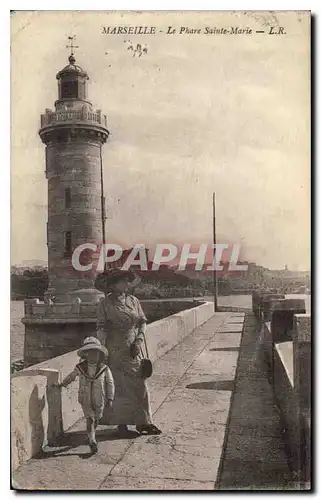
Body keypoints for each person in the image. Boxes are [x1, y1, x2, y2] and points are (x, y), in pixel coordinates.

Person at [95, 268, 161, 436]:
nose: (127, 283)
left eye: (127, 280)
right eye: (123, 280)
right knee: (119, 388)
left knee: (139, 384)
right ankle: (121, 424)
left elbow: (143, 322)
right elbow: (101, 328)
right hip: (114, 350)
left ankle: (144, 422)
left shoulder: (133, 300)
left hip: (133, 348)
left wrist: (139, 340)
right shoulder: (105, 304)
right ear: (114, 284)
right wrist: (101, 349)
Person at [55, 336, 115, 453]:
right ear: (86, 355)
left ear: (100, 355)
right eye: (91, 353)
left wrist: (110, 397)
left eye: (96, 353)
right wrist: (62, 384)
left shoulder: (104, 368)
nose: (93, 356)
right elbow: (72, 376)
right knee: (90, 418)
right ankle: (92, 440)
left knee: (97, 417)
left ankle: (91, 434)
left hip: (100, 397)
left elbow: (110, 382)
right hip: (85, 396)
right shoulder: (80, 368)